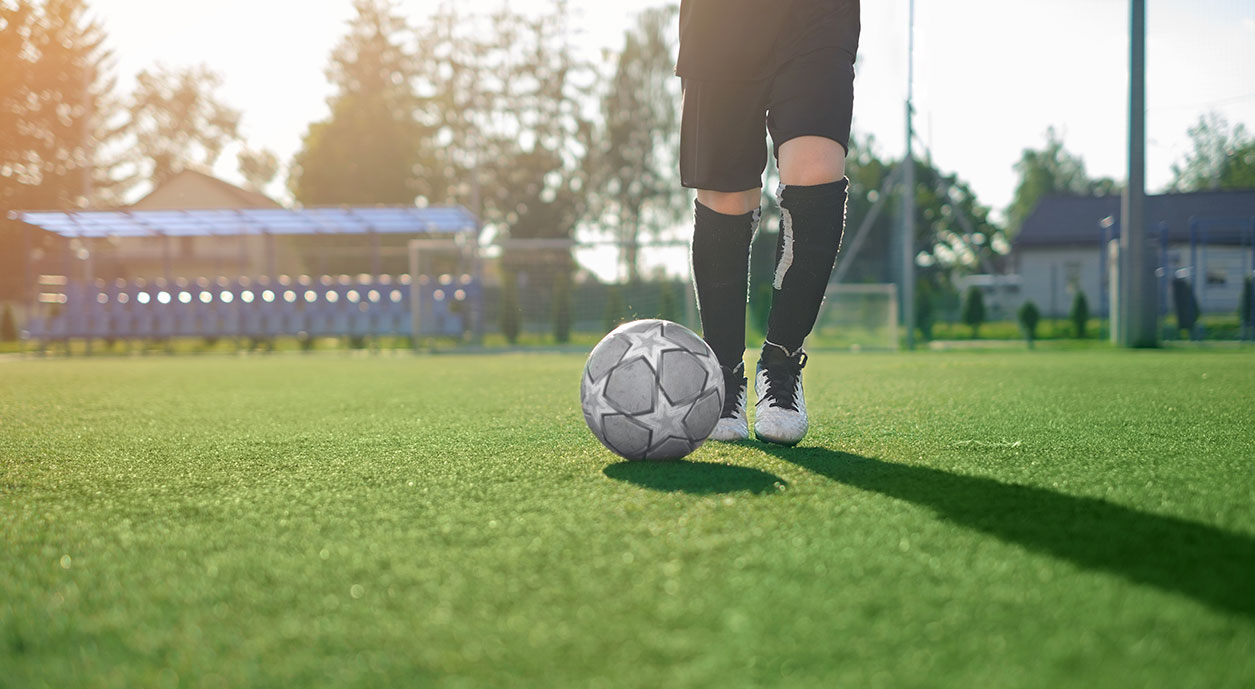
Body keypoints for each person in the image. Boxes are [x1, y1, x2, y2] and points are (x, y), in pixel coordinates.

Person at [679, 0, 861, 445]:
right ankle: (724, 374)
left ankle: (781, 362)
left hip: (817, 16)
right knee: (726, 193)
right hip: (720, 17)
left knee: (817, 173)